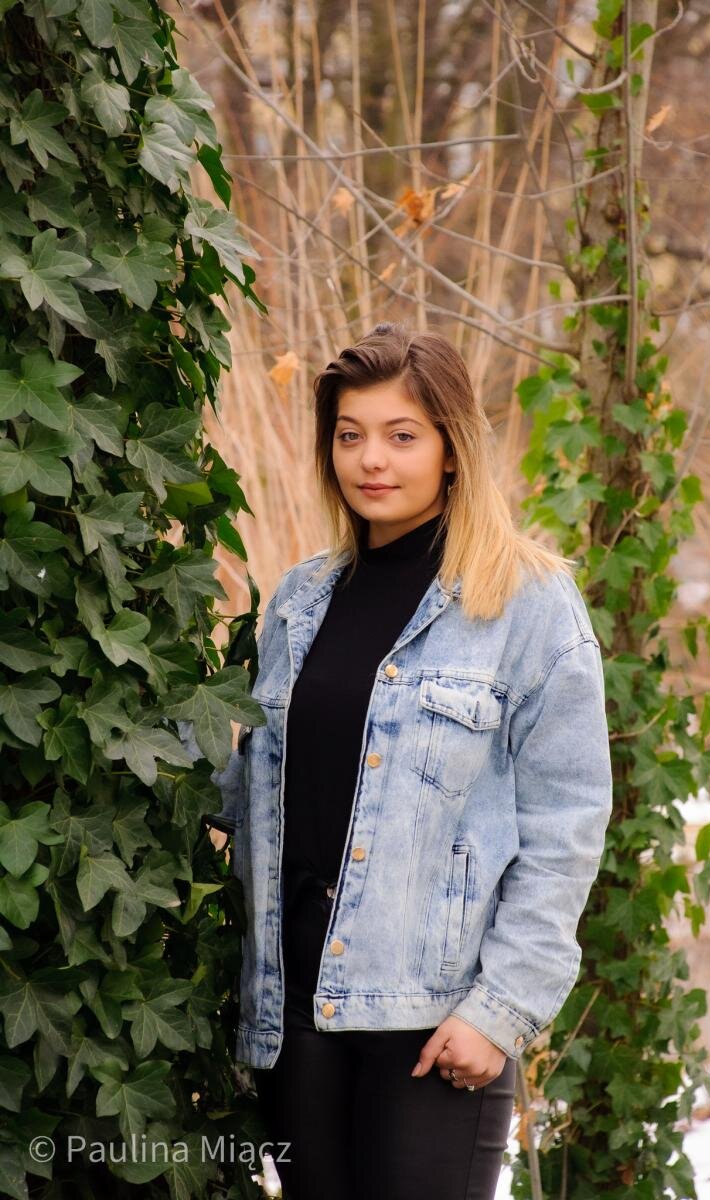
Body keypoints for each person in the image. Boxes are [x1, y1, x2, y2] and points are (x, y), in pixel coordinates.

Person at [204, 323, 613, 1200]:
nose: (370, 460)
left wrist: (498, 1010)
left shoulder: (528, 604)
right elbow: (252, 791)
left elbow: (566, 827)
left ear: (451, 448)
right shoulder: (301, 599)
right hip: (294, 1008)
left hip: (434, 1022)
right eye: (349, 435)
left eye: (401, 435)